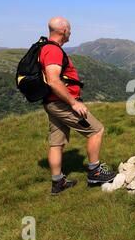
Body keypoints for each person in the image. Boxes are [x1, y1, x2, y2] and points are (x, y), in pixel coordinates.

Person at [40, 17, 117, 195]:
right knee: (96, 130)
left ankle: (57, 182)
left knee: (56, 142)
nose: (71, 33)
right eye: (70, 29)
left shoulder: (45, 48)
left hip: (51, 102)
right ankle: (95, 172)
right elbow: (53, 80)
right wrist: (73, 103)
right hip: (62, 103)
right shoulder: (53, 51)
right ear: (64, 30)